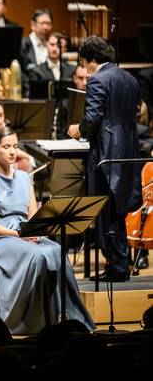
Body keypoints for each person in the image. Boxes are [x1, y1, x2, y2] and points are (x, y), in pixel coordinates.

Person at [0, 126, 94, 334]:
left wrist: (36, 231)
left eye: (14, 146)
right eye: (5, 147)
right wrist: (18, 235)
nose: (12, 152)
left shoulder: (24, 177)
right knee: (38, 257)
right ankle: (34, 322)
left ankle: (64, 317)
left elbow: (32, 215)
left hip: (24, 232)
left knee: (56, 250)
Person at [68, 37, 141, 281]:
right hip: (129, 150)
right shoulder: (130, 78)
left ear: (91, 59)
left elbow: (92, 120)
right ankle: (121, 262)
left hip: (105, 154)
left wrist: (77, 129)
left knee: (104, 211)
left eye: (84, 62)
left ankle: (116, 267)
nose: (85, 67)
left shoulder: (97, 79)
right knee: (119, 211)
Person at [25, 32, 75, 98]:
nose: (54, 49)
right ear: (46, 45)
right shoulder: (36, 71)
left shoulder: (73, 70)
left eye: (58, 46)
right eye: (52, 45)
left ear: (64, 49)